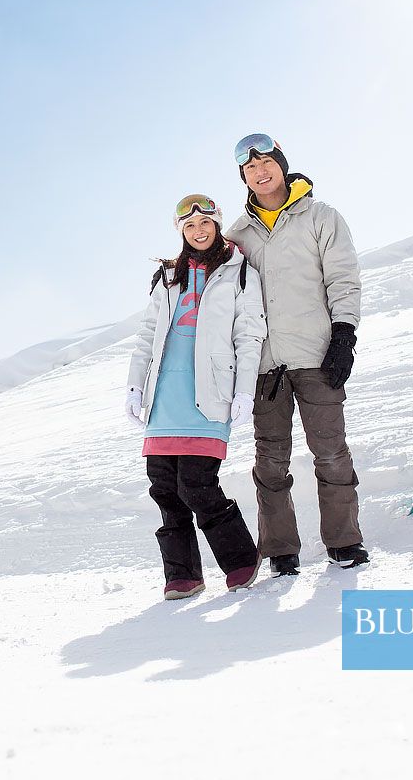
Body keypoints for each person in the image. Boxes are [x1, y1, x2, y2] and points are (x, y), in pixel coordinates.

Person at [223, 133, 369, 575]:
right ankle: (281, 550)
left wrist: (344, 334)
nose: (260, 171)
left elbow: (343, 277)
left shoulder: (320, 216)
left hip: (316, 356)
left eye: (266, 162)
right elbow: (221, 299)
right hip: (264, 366)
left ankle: (344, 542)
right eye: (250, 168)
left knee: (330, 452)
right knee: (270, 461)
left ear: (282, 165)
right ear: (243, 177)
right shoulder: (237, 236)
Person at [125, 194, 267, 600]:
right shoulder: (168, 276)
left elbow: (249, 335)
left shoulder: (239, 273)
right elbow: (147, 337)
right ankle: (183, 575)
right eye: (189, 226)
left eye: (205, 223)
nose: (198, 231)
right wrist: (136, 386)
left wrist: (244, 392)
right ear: (181, 231)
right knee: (164, 488)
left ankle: (241, 559)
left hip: (208, 392)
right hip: (164, 393)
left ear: (217, 225)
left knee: (197, 484)